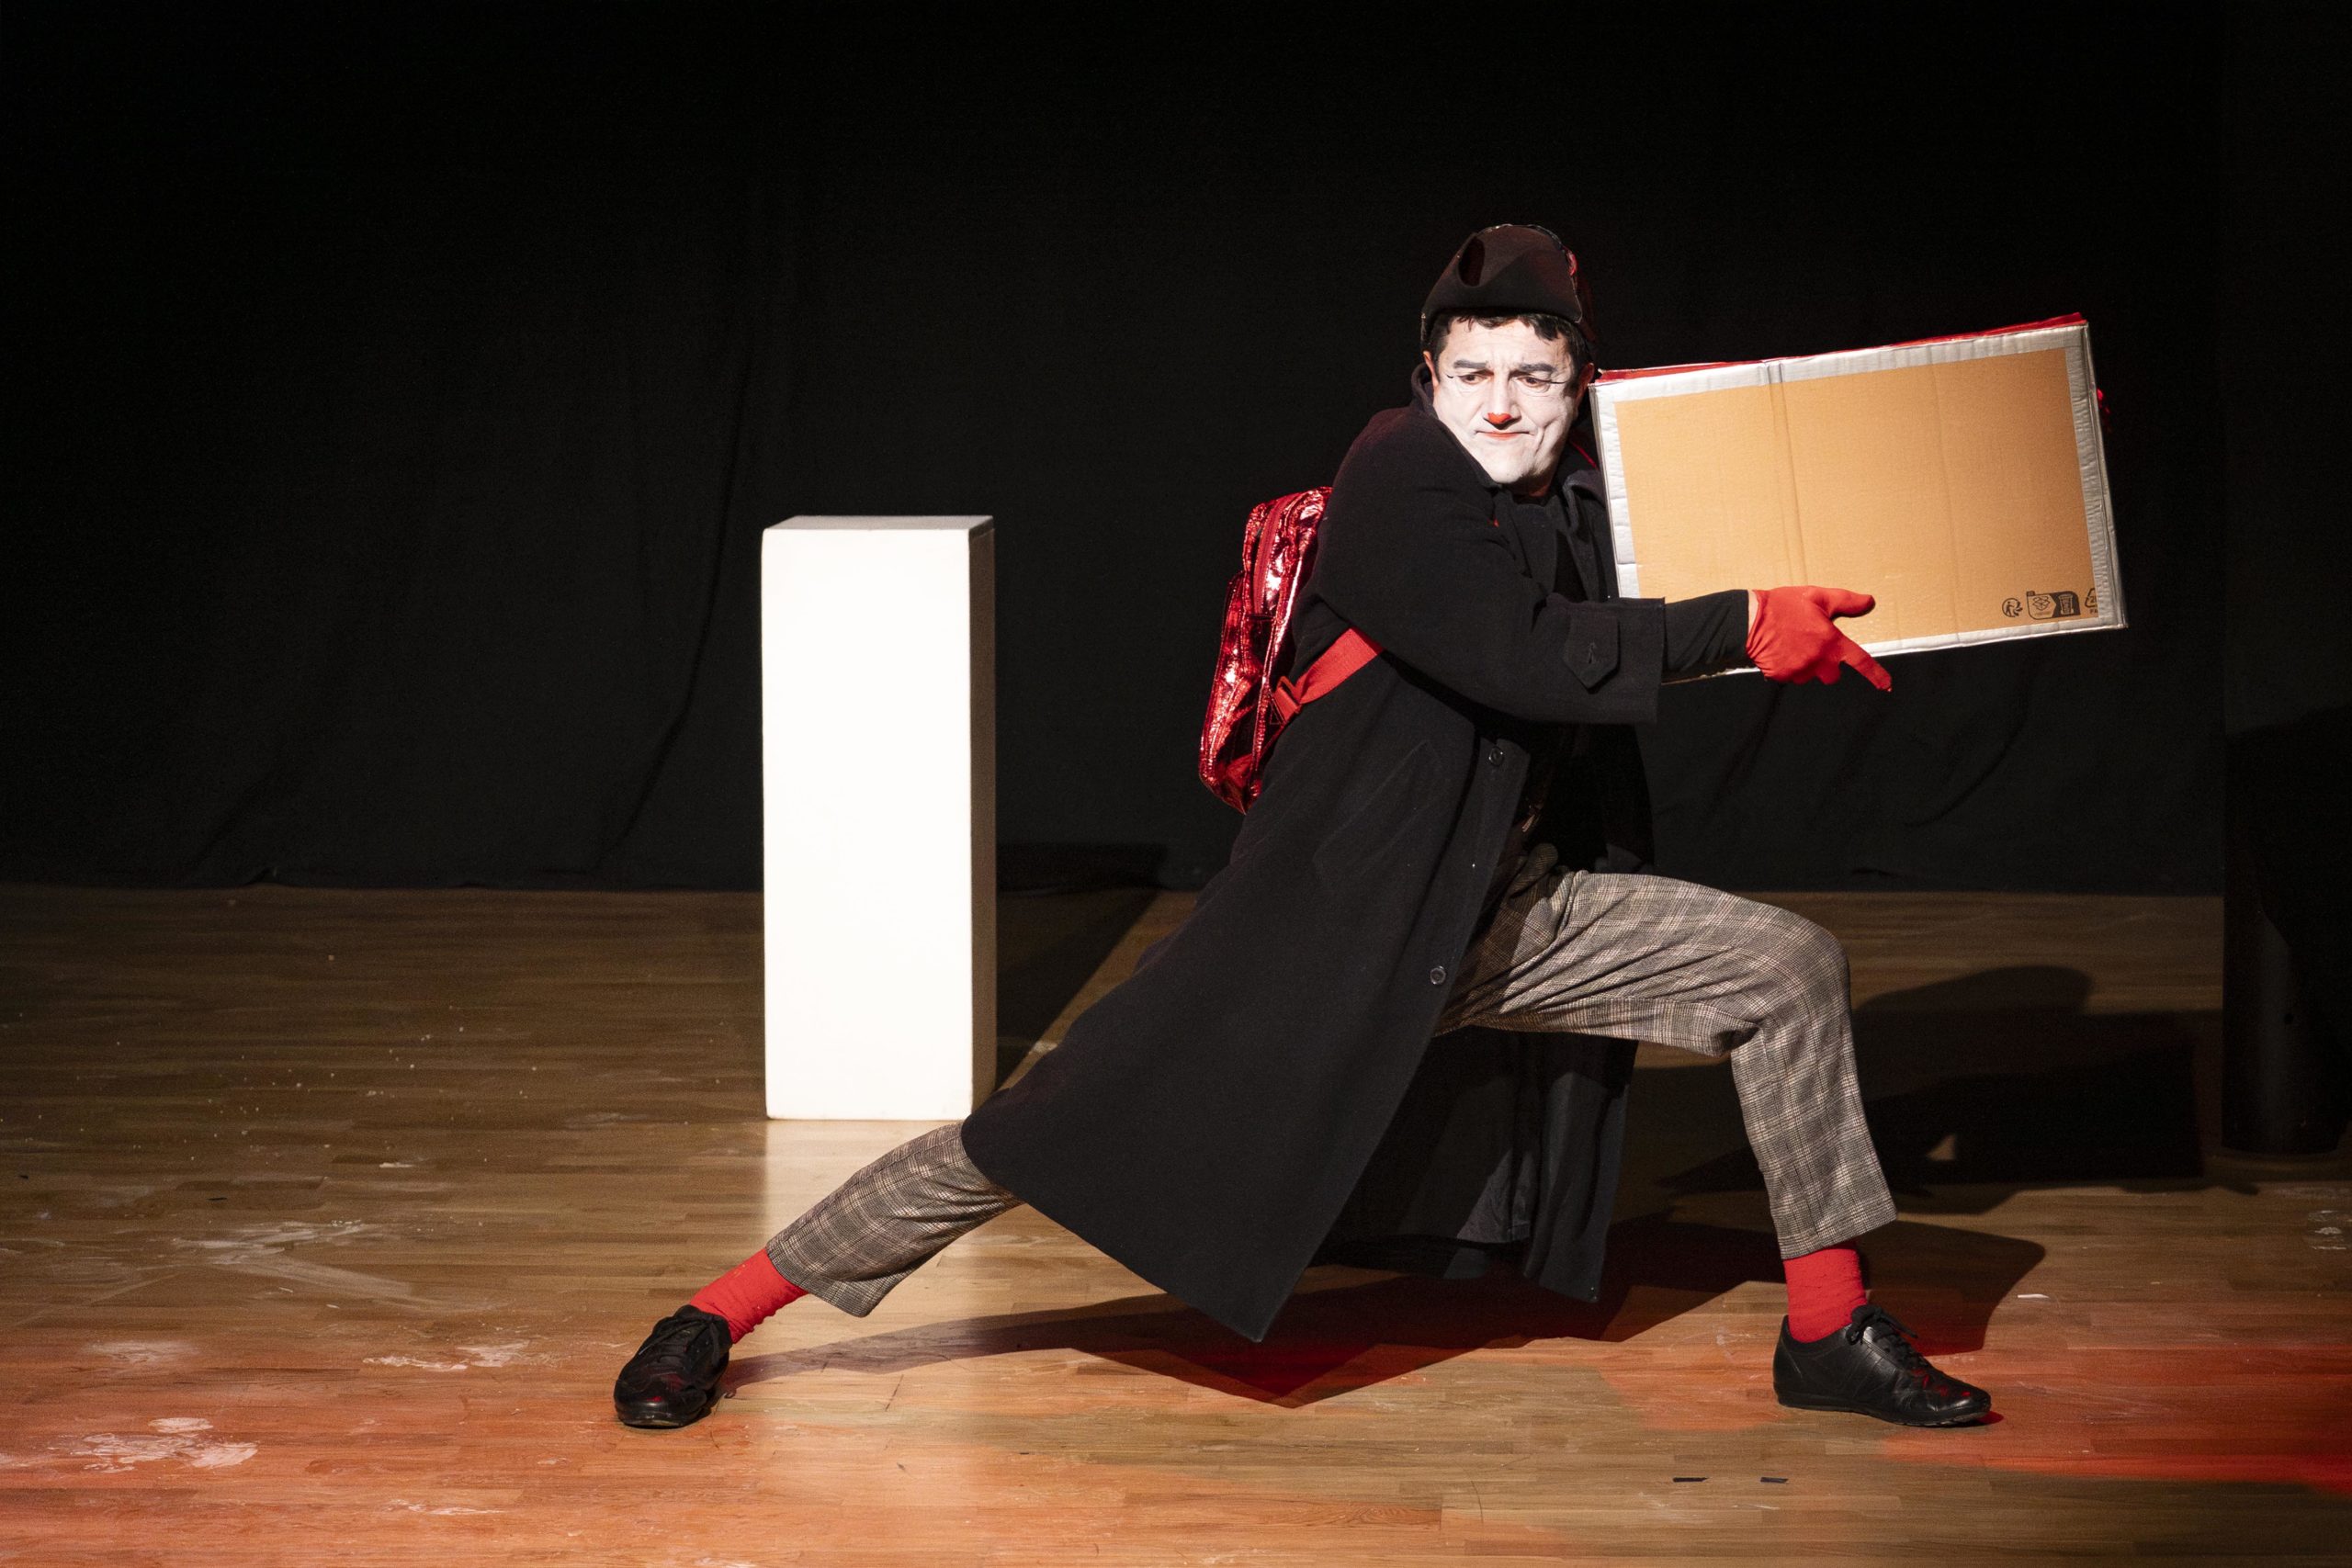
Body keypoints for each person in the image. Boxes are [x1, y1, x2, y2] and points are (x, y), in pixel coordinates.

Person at [613, 224, 1990, 1431]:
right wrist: (1739, 625)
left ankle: (1826, 1329)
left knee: (1783, 970)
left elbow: (1739, 517)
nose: (1500, 404)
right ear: (1429, 377)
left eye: (1533, 376)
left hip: (1504, 916)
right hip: (1330, 932)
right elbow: (1522, 650)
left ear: (1580, 383)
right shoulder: (1400, 474)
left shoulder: (1580, 497)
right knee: (1033, 1134)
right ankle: (719, 1311)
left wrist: (1962, 502)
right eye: (1472, 373)